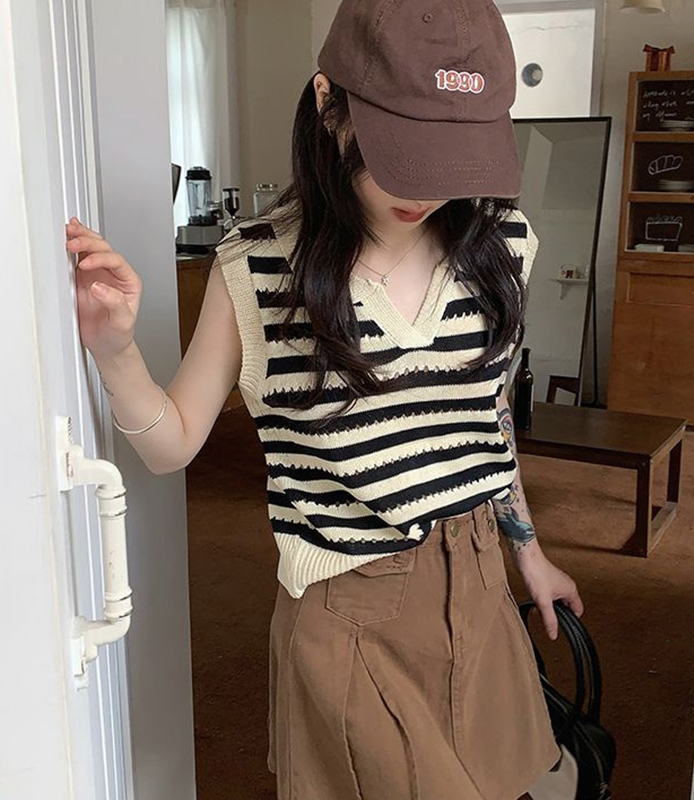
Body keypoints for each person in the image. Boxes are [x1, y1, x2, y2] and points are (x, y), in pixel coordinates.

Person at [66, 1, 583, 797]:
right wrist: (115, 350)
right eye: (402, 149)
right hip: (353, 606)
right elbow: (172, 445)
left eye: (451, 154)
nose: (425, 187)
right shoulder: (258, 267)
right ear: (327, 101)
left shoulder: (501, 246)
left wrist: (528, 552)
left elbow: (488, 419)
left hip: (481, 584)